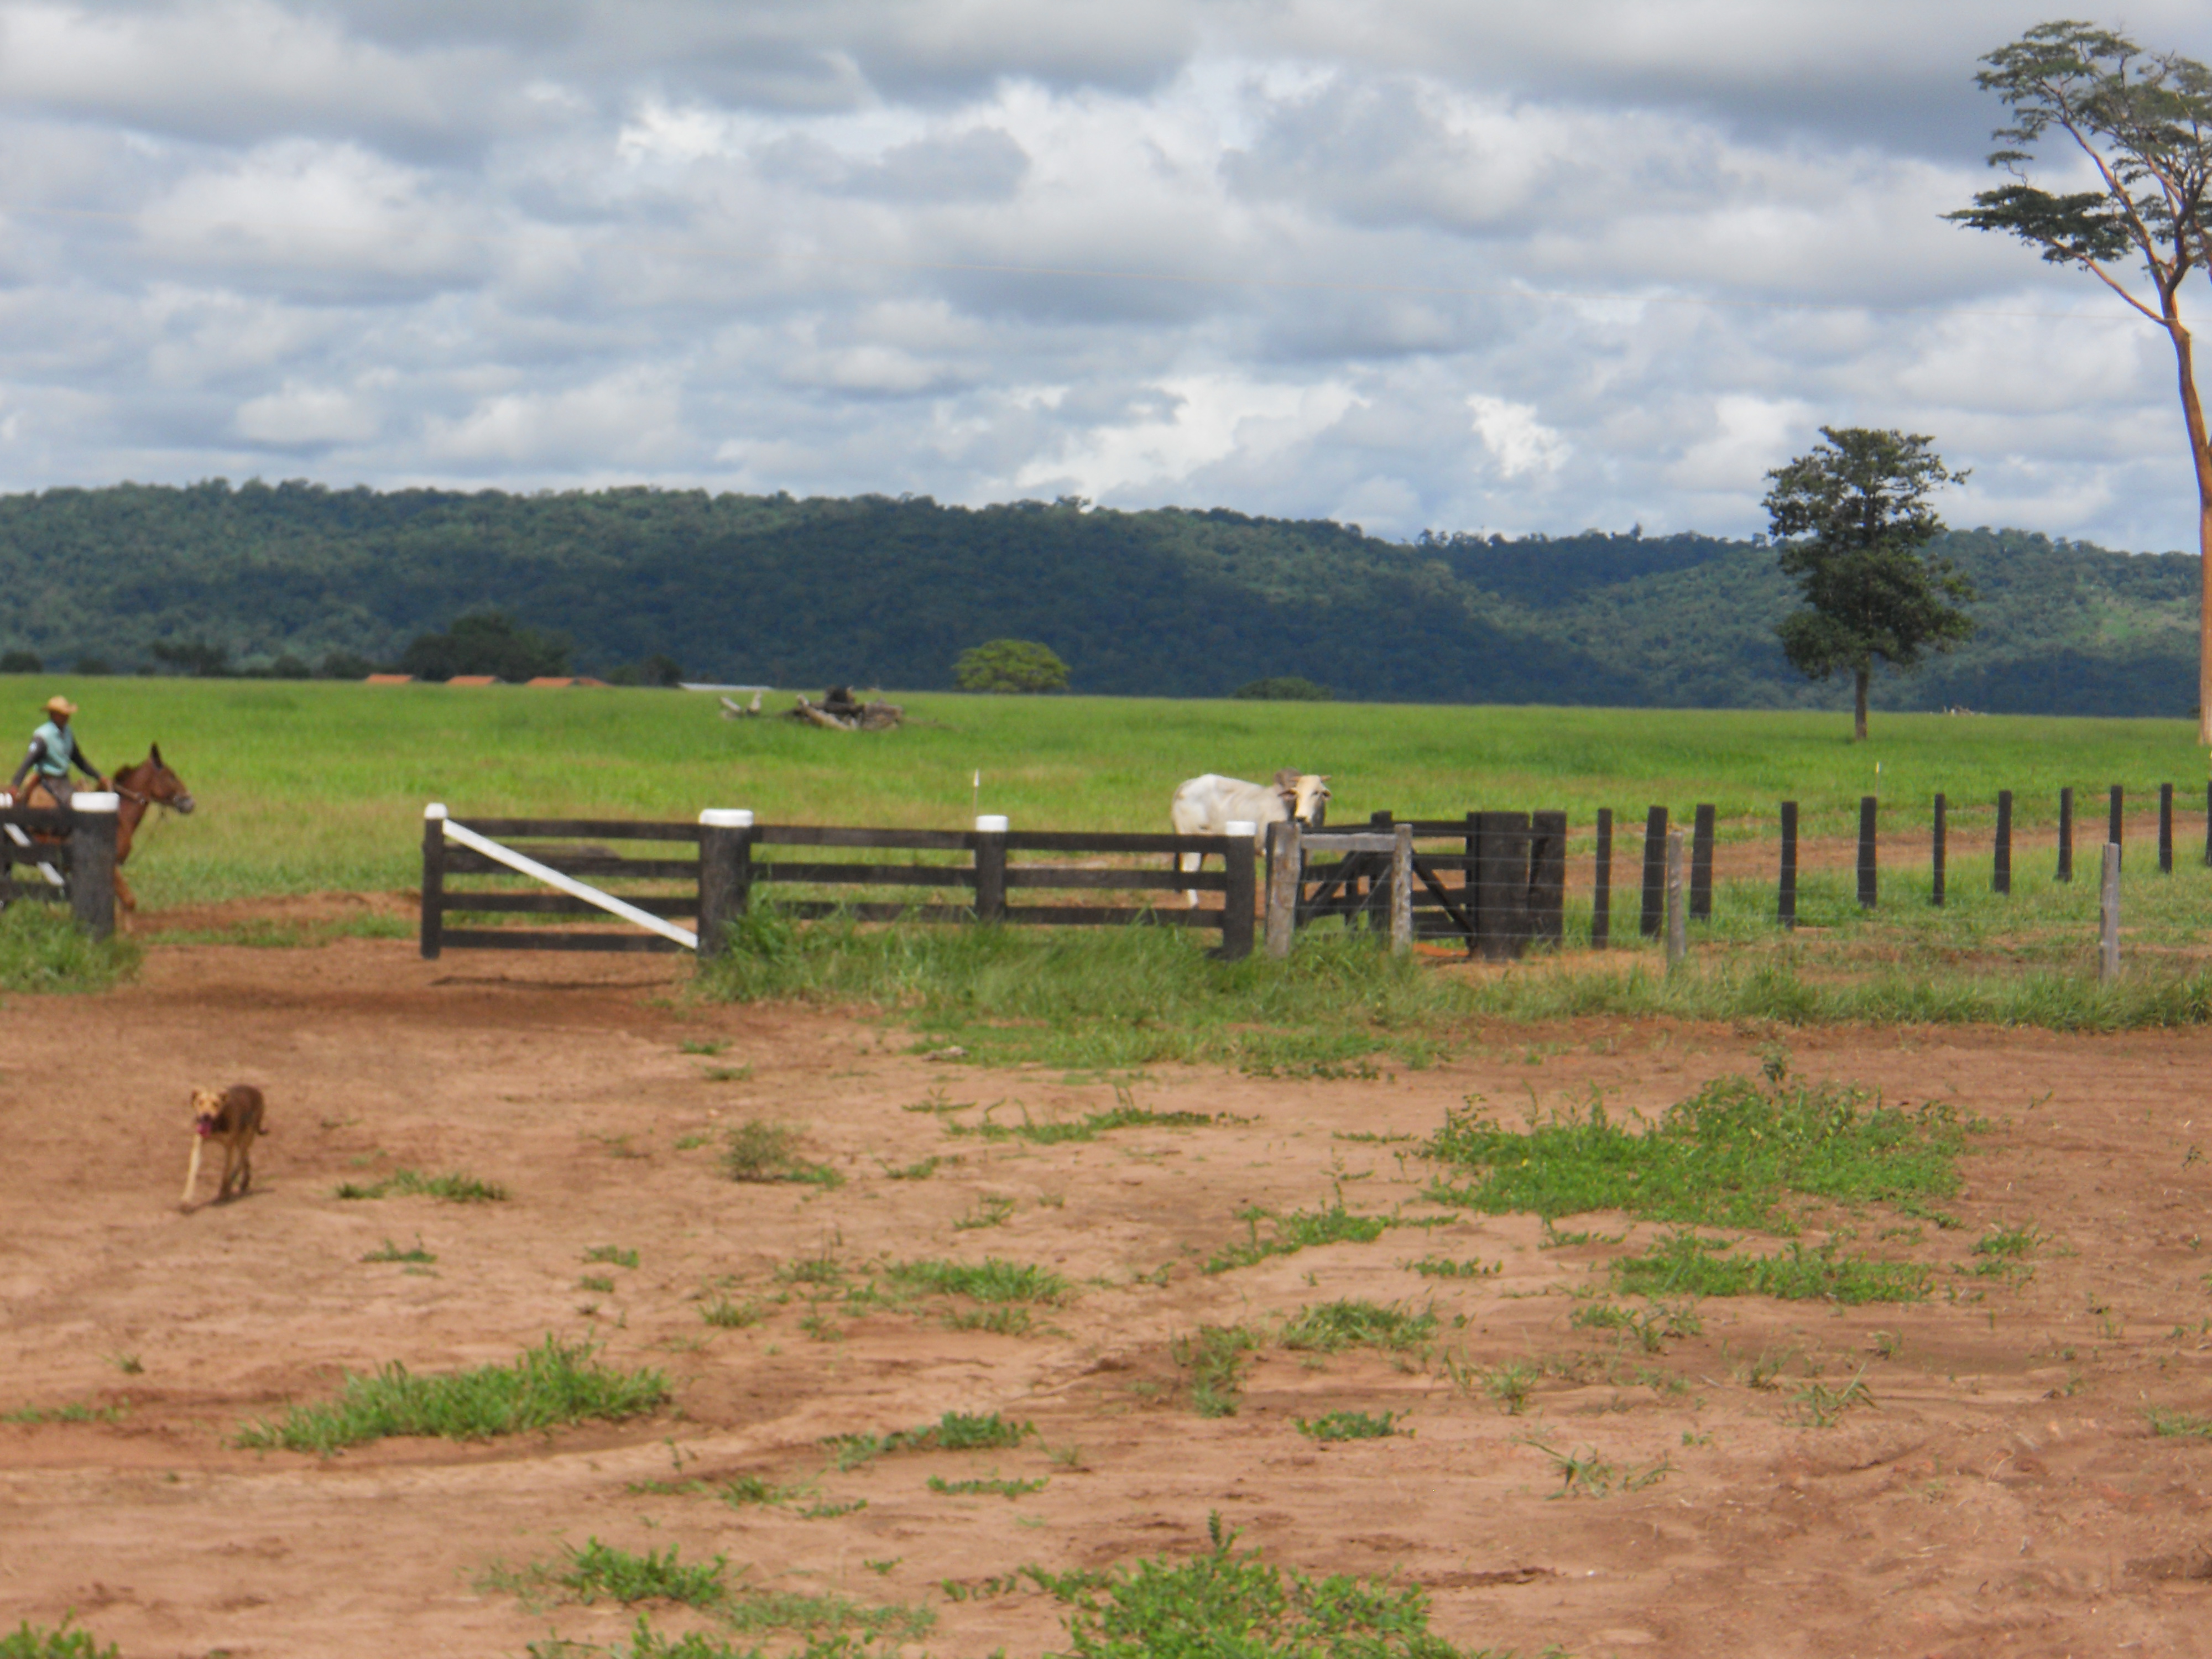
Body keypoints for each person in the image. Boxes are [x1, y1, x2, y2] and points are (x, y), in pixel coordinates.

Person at [9, 694, 107, 808]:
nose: (67, 717)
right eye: (63, 715)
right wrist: (16, 784)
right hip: (46, 781)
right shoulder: (43, 736)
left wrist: (99, 777)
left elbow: (79, 760)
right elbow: (28, 761)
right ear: (54, 715)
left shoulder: (67, 733)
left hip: (63, 782)